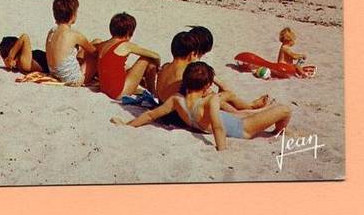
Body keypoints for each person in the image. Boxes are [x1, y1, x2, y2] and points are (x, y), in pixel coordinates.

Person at [111, 62, 293, 151]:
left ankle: (257, 108)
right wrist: (222, 151)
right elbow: (218, 127)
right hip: (244, 129)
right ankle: (279, 131)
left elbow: (150, 115)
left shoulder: (176, 99)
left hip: (235, 119)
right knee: (285, 109)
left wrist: (127, 125)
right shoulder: (210, 100)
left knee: (243, 110)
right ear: (207, 86)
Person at [155, 31, 269, 116]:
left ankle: (248, 107)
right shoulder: (185, 74)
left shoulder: (165, 67)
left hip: (162, 109)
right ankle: (244, 111)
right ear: (192, 54)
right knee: (212, 94)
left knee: (209, 92)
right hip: (175, 115)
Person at [95, 12, 160, 100]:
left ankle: (147, 88)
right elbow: (156, 56)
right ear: (129, 32)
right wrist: (158, 66)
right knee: (147, 59)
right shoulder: (125, 45)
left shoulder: (104, 44)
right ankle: (153, 93)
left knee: (127, 68)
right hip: (118, 93)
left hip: (105, 89)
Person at [45, 0, 99, 85]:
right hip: (71, 79)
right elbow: (95, 53)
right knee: (97, 58)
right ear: (72, 15)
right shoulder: (74, 35)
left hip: (54, 73)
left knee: (96, 42)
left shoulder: (52, 31)